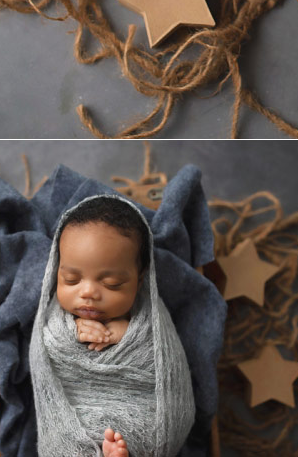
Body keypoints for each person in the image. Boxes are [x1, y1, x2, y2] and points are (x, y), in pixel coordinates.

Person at [31, 195, 195, 457]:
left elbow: (167, 366)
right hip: (73, 418)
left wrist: (126, 333)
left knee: (142, 428)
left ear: (140, 280)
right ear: (55, 271)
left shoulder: (151, 318)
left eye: (111, 284)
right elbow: (48, 350)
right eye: (71, 279)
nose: (88, 293)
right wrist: (73, 331)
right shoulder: (55, 320)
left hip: (135, 414)